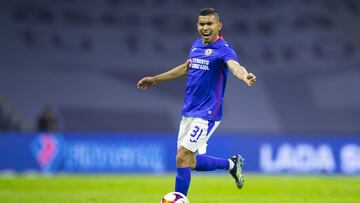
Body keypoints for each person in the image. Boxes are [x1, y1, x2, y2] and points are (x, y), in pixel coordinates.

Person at [137, 8, 256, 196]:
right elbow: (186, 67)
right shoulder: (196, 45)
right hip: (189, 111)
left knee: (182, 156)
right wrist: (155, 79)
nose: (205, 27)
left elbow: (234, 66)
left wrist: (244, 76)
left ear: (219, 25)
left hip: (208, 113)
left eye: (210, 23)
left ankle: (179, 199)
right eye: (202, 24)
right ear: (197, 26)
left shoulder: (224, 49)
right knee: (188, 161)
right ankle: (232, 164)